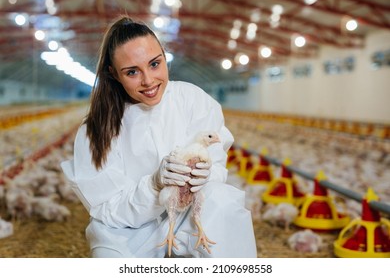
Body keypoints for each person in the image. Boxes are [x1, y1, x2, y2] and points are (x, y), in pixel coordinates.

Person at [61, 15, 256, 258]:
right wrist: (154, 184)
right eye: (132, 72)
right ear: (113, 74)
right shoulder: (97, 129)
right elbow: (108, 210)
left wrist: (205, 175)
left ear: (164, 55)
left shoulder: (192, 100)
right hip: (130, 231)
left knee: (224, 204)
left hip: (189, 214)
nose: (148, 80)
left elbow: (216, 167)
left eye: (155, 64)